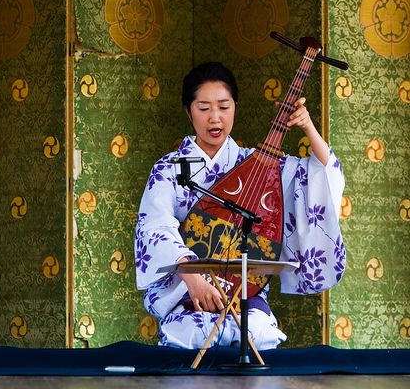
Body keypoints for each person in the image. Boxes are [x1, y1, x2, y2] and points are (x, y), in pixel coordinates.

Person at [135, 62, 345, 349]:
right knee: (195, 334)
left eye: (224, 106)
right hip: (187, 294)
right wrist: (194, 279)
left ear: (235, 106)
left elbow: (321, 175)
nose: (215, 118)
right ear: (188, 111)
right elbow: (155, 226)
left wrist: (306, 125)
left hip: (246, 296)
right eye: (204, 107)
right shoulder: (169, 168)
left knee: (258, 333)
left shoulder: (256, 165)